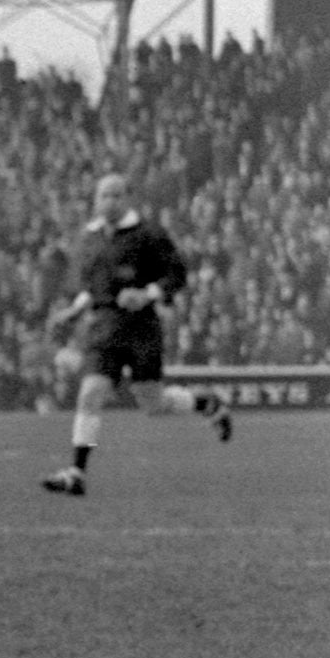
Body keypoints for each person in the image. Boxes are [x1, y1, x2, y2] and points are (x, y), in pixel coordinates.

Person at [41, 170, 197, 496]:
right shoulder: (90, 237)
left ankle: (206, 404)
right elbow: (91, 288)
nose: (110, 201)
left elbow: (177, 274)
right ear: (95, 200)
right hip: (105, 329)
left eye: (116, 195)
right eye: (104, 195)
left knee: (153, 403)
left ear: (128, 199)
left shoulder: (149, 234)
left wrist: (148, 294)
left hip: (142, 329)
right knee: (90, 393)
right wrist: (73, 310)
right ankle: (76, 473)